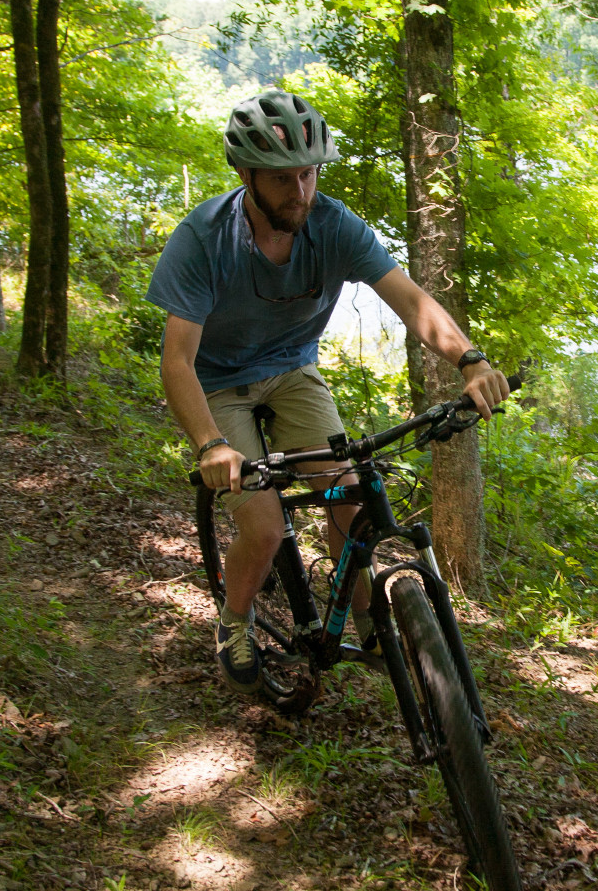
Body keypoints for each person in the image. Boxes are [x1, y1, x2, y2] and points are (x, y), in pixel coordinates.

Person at [146, 90, 509, 694]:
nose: (301, 191)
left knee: (348, 494)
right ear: (245, 175)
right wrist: (210, 444)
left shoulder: (333, 226)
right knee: (263, 529)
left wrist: (469, 360)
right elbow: (177, 358)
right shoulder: (204, 238)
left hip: (292, 369)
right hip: (217, 384)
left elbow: (409, 299)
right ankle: (234, 621)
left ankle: (364, 616)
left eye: (310, 173)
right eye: (283, 178)